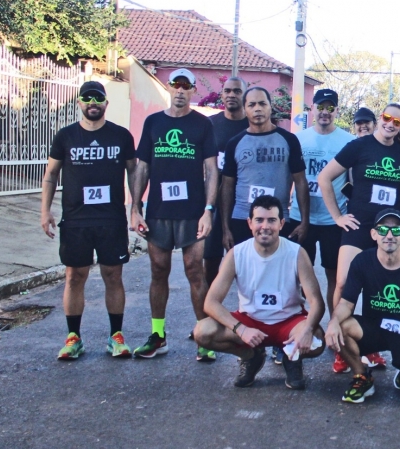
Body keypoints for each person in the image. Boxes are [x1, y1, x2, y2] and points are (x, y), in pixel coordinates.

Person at [42, 80, 138, 359]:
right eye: (87, 98)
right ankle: (73, 338)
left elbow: (134, 172)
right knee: (74, 276)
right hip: (75, 220)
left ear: (106, 103)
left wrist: (135, 207)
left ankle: (116, 337)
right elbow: (51, 175)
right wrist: (45, 211)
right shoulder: (66, 136)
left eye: (98, 98)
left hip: (111, 219)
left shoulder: (121, 136)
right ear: (79, 103)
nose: (92, 103)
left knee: (113, 275)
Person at [194, 195, 326, 390]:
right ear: (249, 223)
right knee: (203, 332)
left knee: (317, 340)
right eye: (259, 220)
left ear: (281, 223)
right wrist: (241, 329)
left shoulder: (296, 253)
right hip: (251, 322)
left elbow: (317, 302)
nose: (265, 226)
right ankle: (251, 357)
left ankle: (292, 357)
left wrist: (306, 330)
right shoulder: (236, 254)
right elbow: (210, 302)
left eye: (271, 220)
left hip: (288, 323)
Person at [130, 68, 218, 360]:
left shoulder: (202, 125)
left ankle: (205, 336)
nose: (181, 90)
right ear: (168, 88)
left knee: (195, 270)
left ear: (194, 91)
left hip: (192, 212)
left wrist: (208, 211)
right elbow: (142, 167)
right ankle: (158, 336)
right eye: (176, 85)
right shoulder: (153, 122)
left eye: (187, 86)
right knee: (158, 270)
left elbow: (211, 171)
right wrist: (135, 208)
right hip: (158, 211)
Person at [325, 208, 400, 406]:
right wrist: (333, 322)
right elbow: (346, 303)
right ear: (373, 234)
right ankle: (362, 377)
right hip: (376, 327)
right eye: (383, 230)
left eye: (396, 231)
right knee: (341, 328)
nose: (389, 235)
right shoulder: (362, 261)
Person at [317, 102, 400, 316]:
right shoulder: (359, 146)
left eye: (397, 122)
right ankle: (337, 332)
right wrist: (337, 217)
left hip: (387, 229)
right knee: (342, 283)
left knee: (375, 287)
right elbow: (324, 177)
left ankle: (370, 341)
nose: (390, 124)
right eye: (387, 118)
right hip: (358, 224)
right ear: (380, 118)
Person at [287, 89, 354, 341]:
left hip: (333, 220)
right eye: (320, 107)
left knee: (335, 279)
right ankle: (296, 329)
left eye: (330, 108)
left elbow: (351, 180)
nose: (325, 112)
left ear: (336, 111)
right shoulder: (299, 139)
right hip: (299, 217)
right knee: (295, 279)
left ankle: (335, 331)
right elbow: (289, 175)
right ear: (312, 109)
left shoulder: (347, 140)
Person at [220, 87, 310, 246]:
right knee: (243, 270)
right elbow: (227, 186)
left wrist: (304, 222)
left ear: (270, 106)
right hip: (242, 218)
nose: (257, 109)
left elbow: (301, 181)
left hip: (278, 218)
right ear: (245, 109)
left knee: (278, 269)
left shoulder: (289, 140)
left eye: (262, 103)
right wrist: (226, 228)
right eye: (252, 105)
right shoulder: (235, 143)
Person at [204, 76, 248, 285]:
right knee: (211, 262)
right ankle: (208, 313)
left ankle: (248, 314)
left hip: (243, 203)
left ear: (244, 95)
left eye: (237, 91)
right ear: (222, 94)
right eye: (228, 91)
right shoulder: (210, 125)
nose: (231, 95)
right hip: (214, 201)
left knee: (246, 263)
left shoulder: (252, 125)